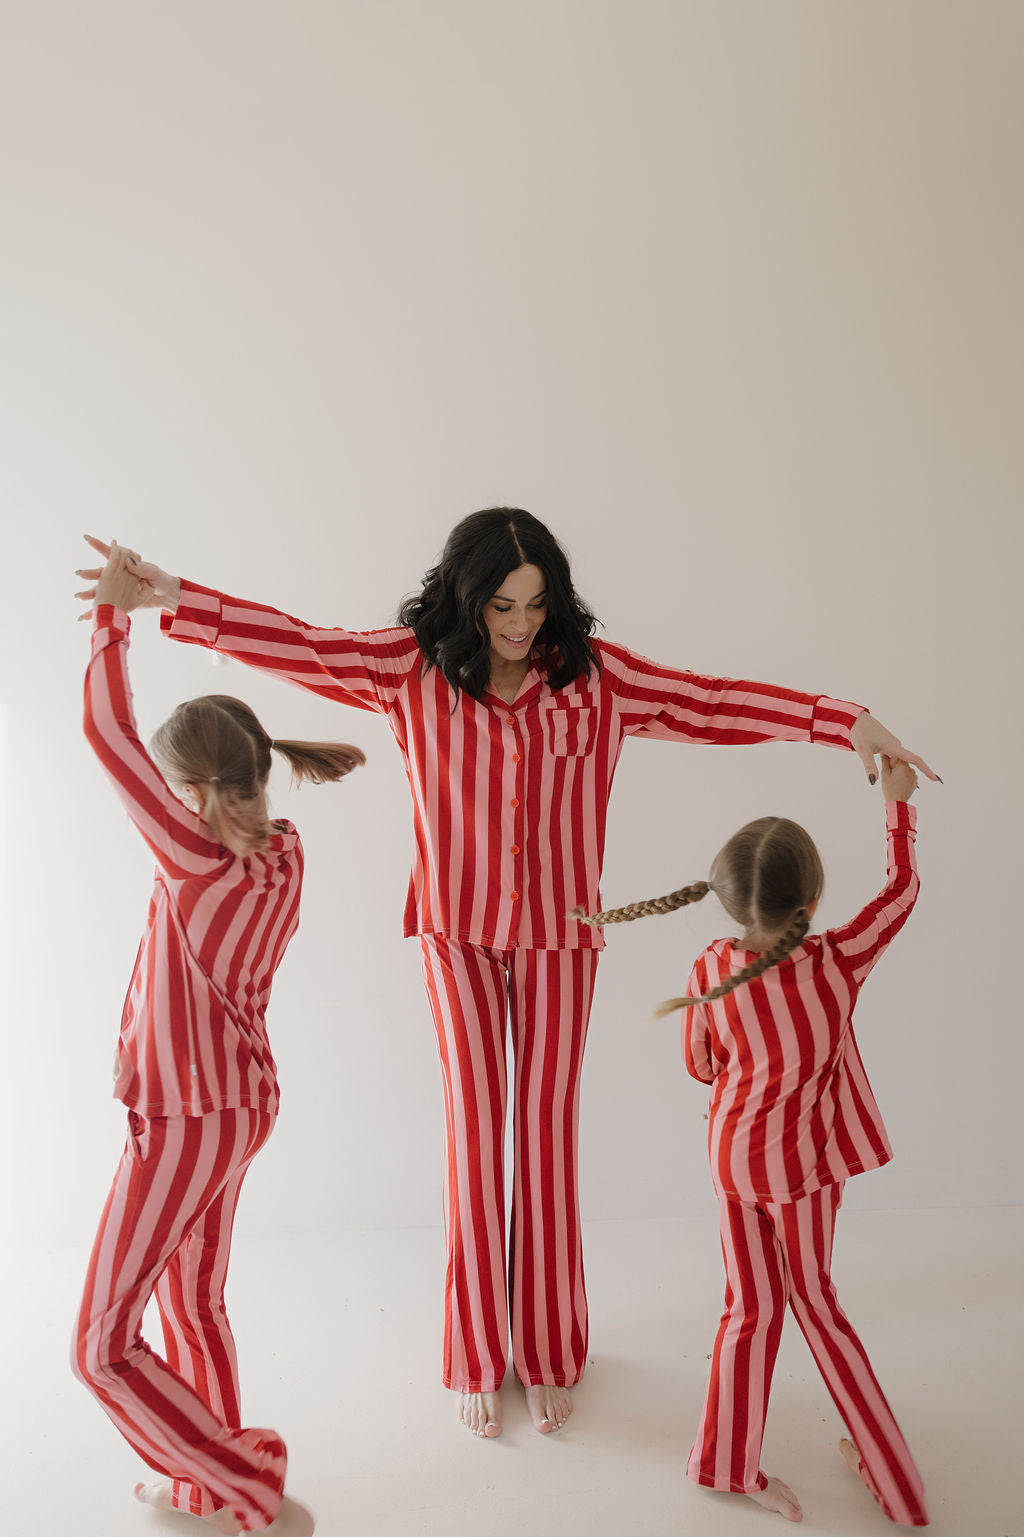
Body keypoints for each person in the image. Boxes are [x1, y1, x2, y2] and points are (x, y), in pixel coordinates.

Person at [75, 511, 936, 1441]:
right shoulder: (409, 670)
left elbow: (713, 702)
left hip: (563, 940)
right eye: (501, 605)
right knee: (478, 1139)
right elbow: (304, 644)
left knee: (546, 1139)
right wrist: (175, 595)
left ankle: (554, 1351)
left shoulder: (600, 682)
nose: (521, 624)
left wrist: (843, 721)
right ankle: (478, 1355)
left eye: (535, 603)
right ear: (467, 599)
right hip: (456, 935)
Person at [72, 544, 364, 1533]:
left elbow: (105, 732)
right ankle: (207, 1483)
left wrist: (111, 621)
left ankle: (246, 1485)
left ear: (193, 789)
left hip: (188, 1117)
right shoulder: (282, 851)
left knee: (99, 1346)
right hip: (239, 1108)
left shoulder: (196, 856)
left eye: (171, 784)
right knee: (193, 1303)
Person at [574, 754, 929, 1526]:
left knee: (749, 1309)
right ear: (812, 898)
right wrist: (898, 807)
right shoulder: (838, 961)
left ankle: (726, 1465)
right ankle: (898, 1484)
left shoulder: (710, 967)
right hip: (802, 1175)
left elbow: (700, 1064)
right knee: (818, 1306)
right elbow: (900, 893)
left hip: (733, 1164)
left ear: (730, 899)